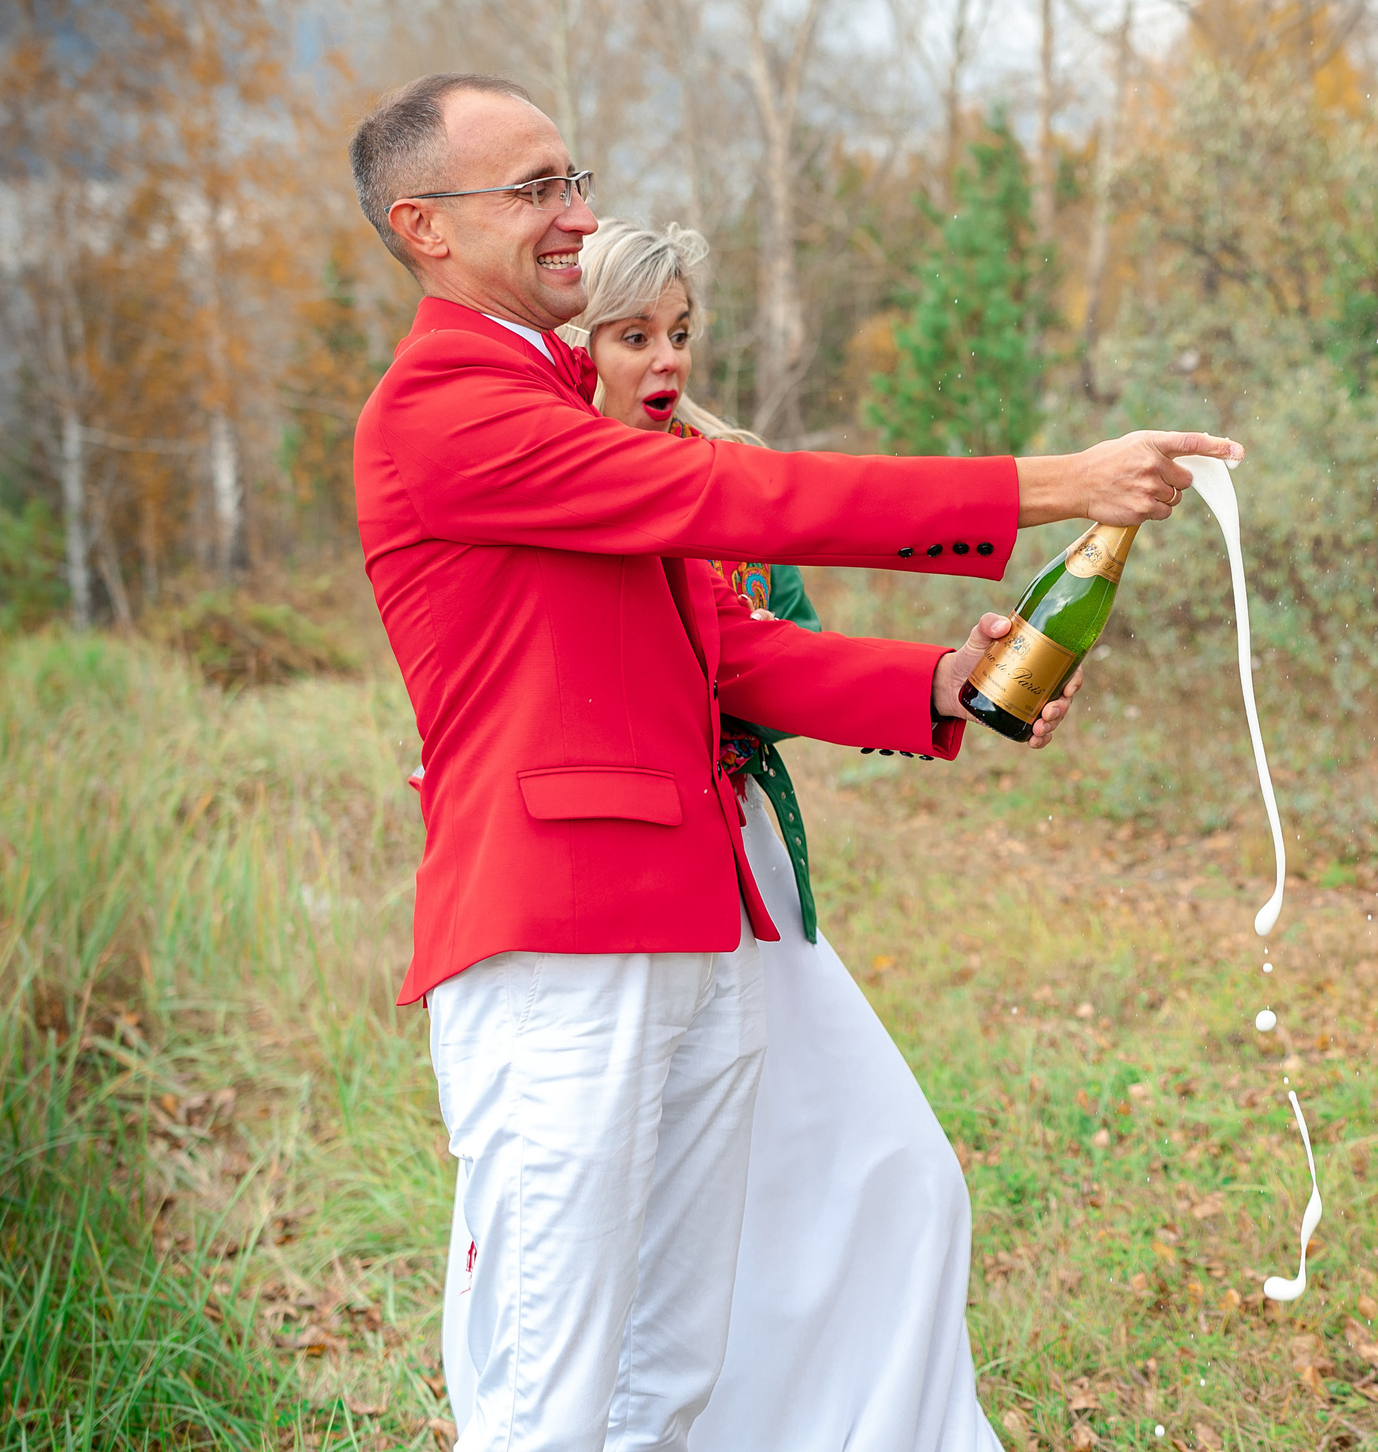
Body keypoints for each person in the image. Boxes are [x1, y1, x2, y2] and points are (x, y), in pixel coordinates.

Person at [347, 71, 1237, 1452]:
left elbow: (727, 652)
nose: (577, 212)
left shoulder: (572, 405)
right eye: (534, 190)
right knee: (548, 1386)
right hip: (560, 934)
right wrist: (1047, 482)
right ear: (426, 228)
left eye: (573, 177)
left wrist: (937, 688)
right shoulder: (447, 409)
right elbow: (738, 494)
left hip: (697, 923)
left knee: (667, 1372)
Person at [569, 218, 1001, 1452]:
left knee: (898, 1172)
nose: (667, 359)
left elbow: (781, 656)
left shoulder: (732, 472)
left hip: (750, 866)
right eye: (633, 333)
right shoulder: (542, 483)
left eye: (682, 332)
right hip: (616, 885)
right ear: (573, 345)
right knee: (662, 1214)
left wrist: (938, 678)